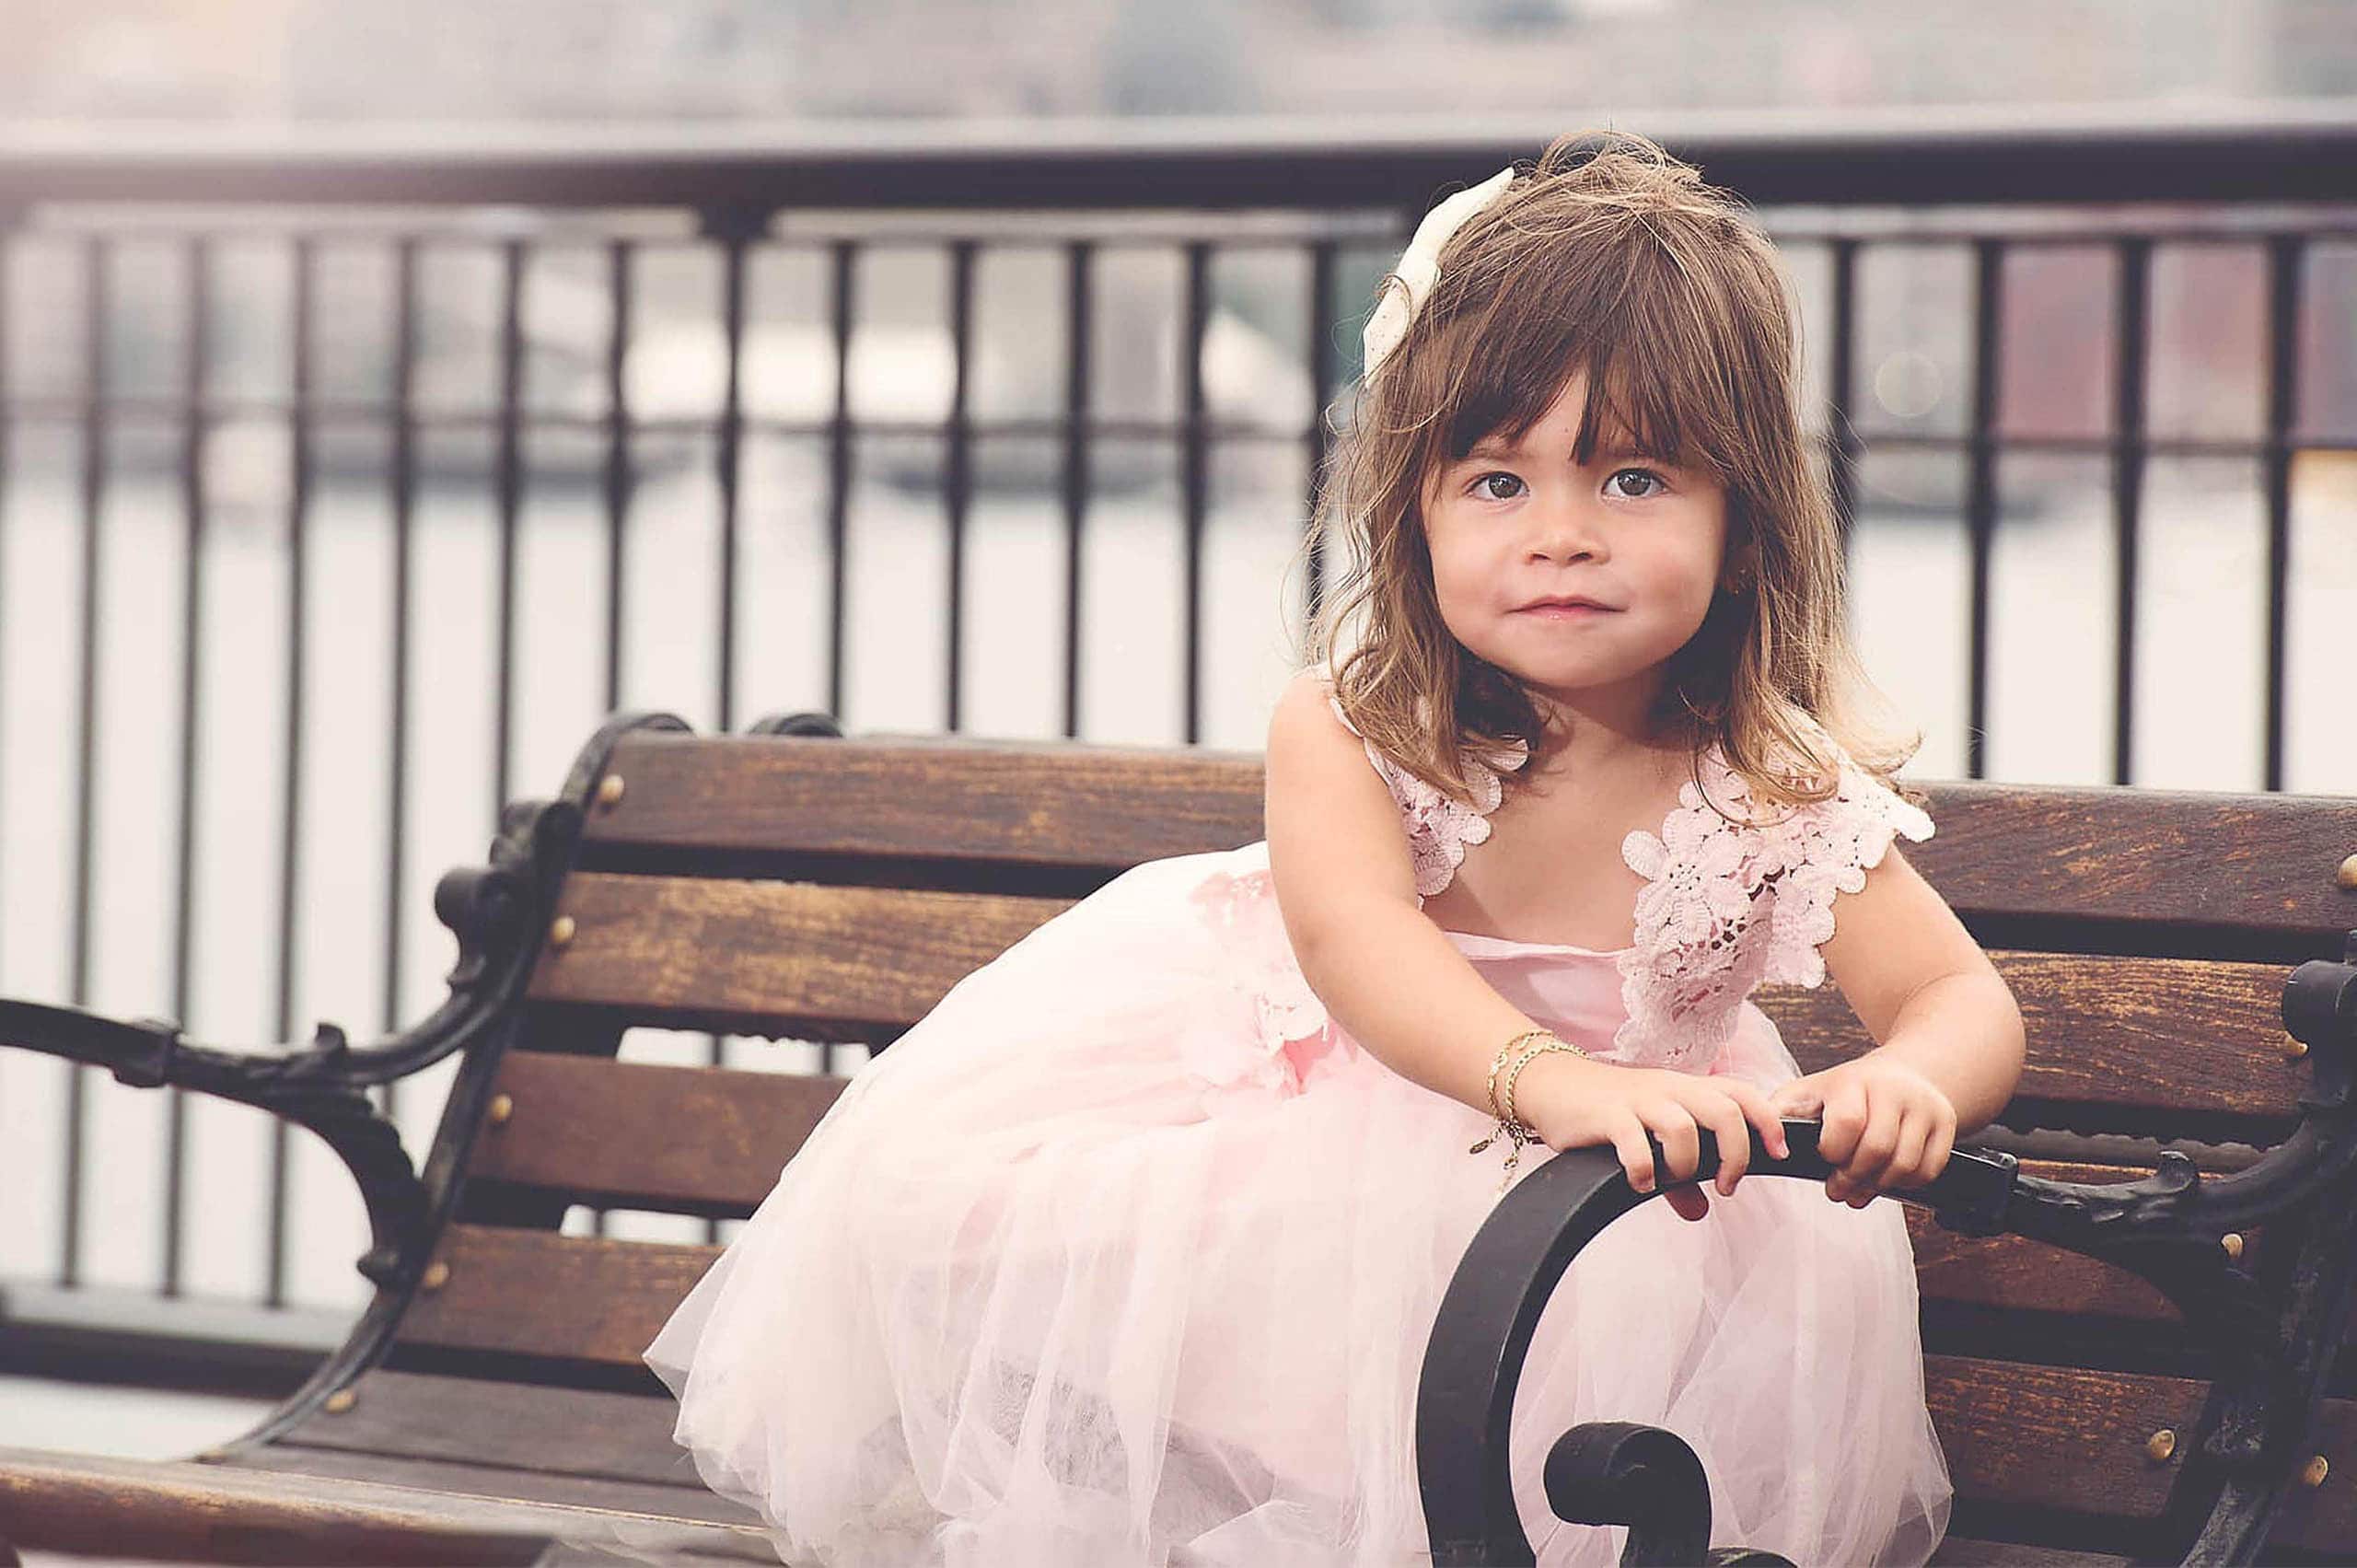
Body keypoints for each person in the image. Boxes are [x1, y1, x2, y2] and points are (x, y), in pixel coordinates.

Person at [644, 130, 2027, 1568]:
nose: (1560, 535)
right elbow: (1361, 944)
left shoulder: (1770, 787)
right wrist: (1547, 1080)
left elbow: (1962, 1001)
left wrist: (1898, 1085)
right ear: (1412, 513)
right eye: (1499, 483)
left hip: (1635, 1230)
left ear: (1744, 524)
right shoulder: (1362, 728)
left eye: (1632, 481)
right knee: (962, 1216)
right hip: (1336, 1140)